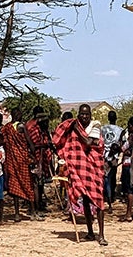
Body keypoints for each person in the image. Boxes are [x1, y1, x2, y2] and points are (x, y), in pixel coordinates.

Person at [53, 104, 107, 245]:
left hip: (94, 169)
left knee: (99, 202)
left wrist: (75, 129)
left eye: (87, 114)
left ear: (90, 115)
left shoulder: (95, 126)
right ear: (78, 115)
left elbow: (89, 142)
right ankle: (90, 232)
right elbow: (67, 144)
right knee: (87, 201)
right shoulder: (74, 127)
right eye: (82, 114)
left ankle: (101, 235)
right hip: (80, 169)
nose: (84, 116)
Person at [0, 109, 36, 221]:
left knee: (14, 186)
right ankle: (33, 212)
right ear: (18, 115)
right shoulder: (21, 126)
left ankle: (16, 214)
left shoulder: (6, 128)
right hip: (22, 160)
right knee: (28, 185)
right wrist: (34, 154)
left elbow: (3, 142)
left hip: (12, 161)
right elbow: (29, 142)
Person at [101, 110, 124, 212]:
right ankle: (111, 196)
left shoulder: (103, 129)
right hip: (113, 157)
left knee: (105, 178)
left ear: (108, 118)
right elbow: (122, 143)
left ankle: (107, 195)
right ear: (116, 118)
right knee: (111, 178)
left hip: (104, 156)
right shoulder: (120, 130)